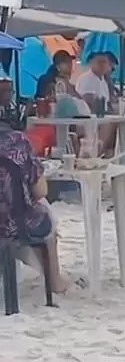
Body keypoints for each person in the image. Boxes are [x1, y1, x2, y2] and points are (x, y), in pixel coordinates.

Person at [0, 115, 68, 292]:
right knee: (42, 210)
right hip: (14, 225)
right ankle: (54, 281)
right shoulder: (17, 142)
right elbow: (40, 191)